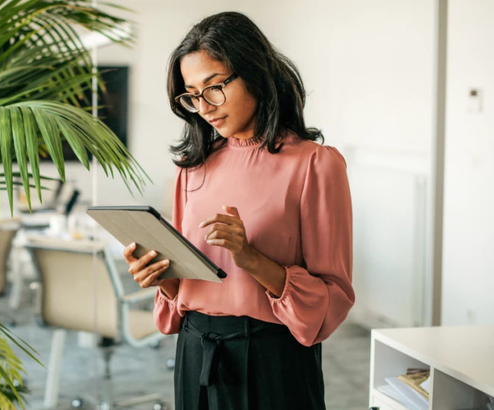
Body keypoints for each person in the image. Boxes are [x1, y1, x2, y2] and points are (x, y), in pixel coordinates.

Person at [122, 11, 354, 410]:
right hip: (195, 351)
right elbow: (185, 290)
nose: (204, 106)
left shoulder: (315, 165)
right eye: (192, 95)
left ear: (254, 73)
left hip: (272, 360)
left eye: (214, 87)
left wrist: (249, 257)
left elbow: (333, 299)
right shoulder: (192, 168)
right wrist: (161, 276)